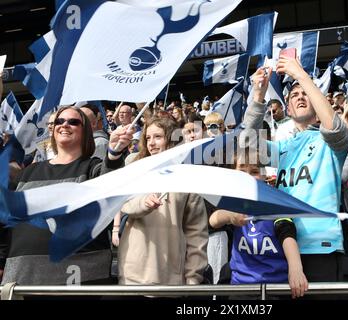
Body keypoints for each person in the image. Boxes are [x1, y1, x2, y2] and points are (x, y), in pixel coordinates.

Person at [242, 55, 348, 292]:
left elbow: (334, 128)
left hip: (321, 248)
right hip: (281, 247)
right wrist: (258, 96)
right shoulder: (281, 148)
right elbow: (246, 144)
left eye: (306, 94)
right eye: (294, 95)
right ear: (288, 109)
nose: (300, 97)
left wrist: (301, 76)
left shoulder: (327, 143)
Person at [1, 106, 134, 286]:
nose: (65, 125)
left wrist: (114, 153)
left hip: (78, 275)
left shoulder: (92, 168)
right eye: (59, 121)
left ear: (85, 131)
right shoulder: (29, 172)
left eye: (73, 122)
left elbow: (110, 183)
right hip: (23, 275)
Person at [118, 116, 208, 287]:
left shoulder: (188, 175)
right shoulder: (133, 165)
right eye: (148, 138)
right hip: (134, 273)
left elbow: (196, 231)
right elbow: (125, 203)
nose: (151, 143)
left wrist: (193, 277)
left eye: (158, 137)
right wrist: (143, 203)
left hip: (171, 275)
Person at [209, 147, 308, 299]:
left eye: (254, 172)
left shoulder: (275, 202)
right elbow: (214, 220)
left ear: (263, 176)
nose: (248, 176)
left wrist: (296, 269)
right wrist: (230, 216)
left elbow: (287, 234)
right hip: (240, 286)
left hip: (275, 286)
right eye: (242, 171)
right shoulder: (233, 203)